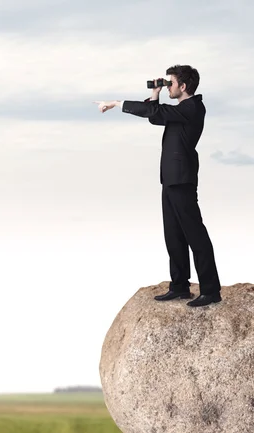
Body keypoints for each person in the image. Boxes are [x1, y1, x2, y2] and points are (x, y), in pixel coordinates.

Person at [93, 65, 221, 307]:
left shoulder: (193, 107)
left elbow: (155, 112)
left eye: (170, 83)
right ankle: (180, 286)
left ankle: (211, 290)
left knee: (195, 234)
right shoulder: (180, 111)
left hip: (182, 179)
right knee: (173, 234)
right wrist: (155, 94)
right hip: (171, 178)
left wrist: (117, 102)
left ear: (183, 87)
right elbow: (155, 116)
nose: (168, 87)